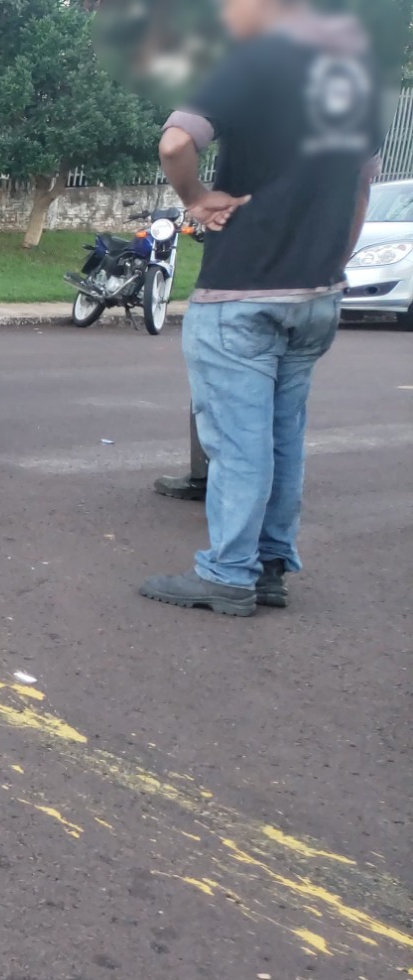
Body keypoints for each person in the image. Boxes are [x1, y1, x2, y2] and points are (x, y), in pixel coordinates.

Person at [137, 0, 380, 616]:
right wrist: (334, 261)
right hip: (316, 292)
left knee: (239, 444)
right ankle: (270, 565)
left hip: (242, 291)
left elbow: (175, 144)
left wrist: (194, 197)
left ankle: (228, 572)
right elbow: (362, 181)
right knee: (282, 437)